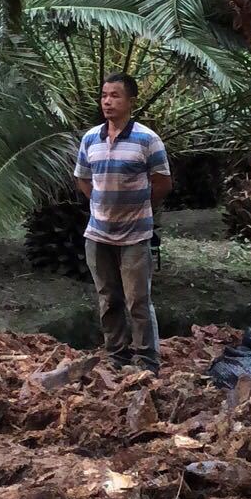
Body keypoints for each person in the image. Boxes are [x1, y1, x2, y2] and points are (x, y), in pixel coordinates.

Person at [74, 74, 171, 373]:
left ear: (130, 101)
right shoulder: (91, 138)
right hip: (98, 234)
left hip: (135, 236)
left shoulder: (147, 140)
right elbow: (83, 178)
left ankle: (146, 363)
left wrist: (140, 209)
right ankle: (116, 358)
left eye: (115, 95)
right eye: (104, 95)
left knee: (138, 301)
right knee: (108, 299)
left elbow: (163, 182)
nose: (107, 101)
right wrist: (100, 205)